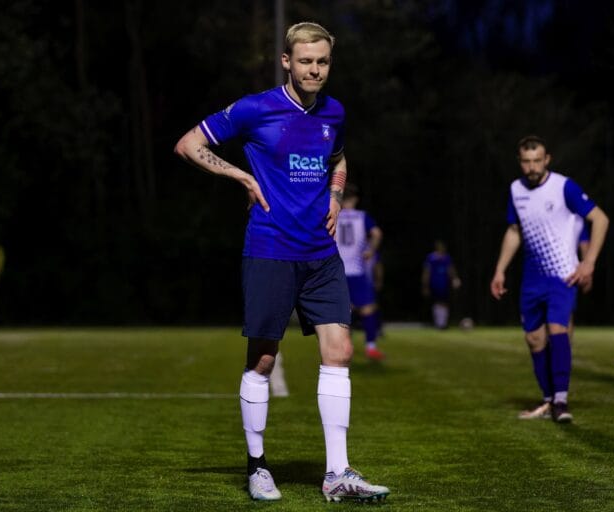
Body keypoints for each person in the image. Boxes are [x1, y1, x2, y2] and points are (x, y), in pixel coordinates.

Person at [173, 22, 389, 502]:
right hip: (270, 249)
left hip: (321, 254)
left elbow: (338, 159)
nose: (315, 69)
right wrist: (241, 177)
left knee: (341, 352)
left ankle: (338, 474)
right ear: (286, 62)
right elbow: (189, 144)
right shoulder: (255, 108)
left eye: (323, 62)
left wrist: (335, 197)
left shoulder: (334, 111)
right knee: (263, 360)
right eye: (306, 61)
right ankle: (257, 467)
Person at [490, 135, 608, 423]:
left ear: (547, 160)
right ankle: (548, 399)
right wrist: (500, 269)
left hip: (562, 273)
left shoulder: (564, 186)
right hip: (532, 278)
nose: (531, 167)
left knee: (558, 329)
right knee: (534, 339)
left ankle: (561, 400)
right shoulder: (515, 189)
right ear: (520, 161)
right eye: (526, 162)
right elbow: (514, 231)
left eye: (537, 161)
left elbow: (600, 219)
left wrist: (589, 262)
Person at [334, 184, 385, 360]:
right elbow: (377, 234)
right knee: (368, 309)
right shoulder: (362, 217)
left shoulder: (334, 214)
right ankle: (371, 347)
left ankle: (345, 345)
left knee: (343, 311)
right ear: (355, 199)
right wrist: (371, 250)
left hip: (337, 271)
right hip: (356, 270)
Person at [421, 240, 462, 329]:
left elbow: (450, 270)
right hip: (434, 283)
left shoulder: (446, 258)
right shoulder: (431, 258)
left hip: (444, 284)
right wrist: (425, 285)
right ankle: (439, 323)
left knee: (445, 303)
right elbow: (426, 272)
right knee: (437, 303)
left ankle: (443, 323)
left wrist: (455, 278)